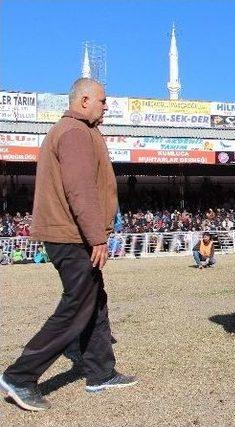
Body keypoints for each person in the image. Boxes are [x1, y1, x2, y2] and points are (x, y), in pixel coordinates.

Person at [0, 78, 136, 412]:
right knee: (77, 306)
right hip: (71, 235)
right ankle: (20, 375)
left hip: (71, 233)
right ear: (85, 99)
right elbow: (81, 190)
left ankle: (100, 371)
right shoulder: (74, 133)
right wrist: (97, 236)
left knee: (94, 300)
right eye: (103, 101)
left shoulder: (78, 131)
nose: (107, 106)